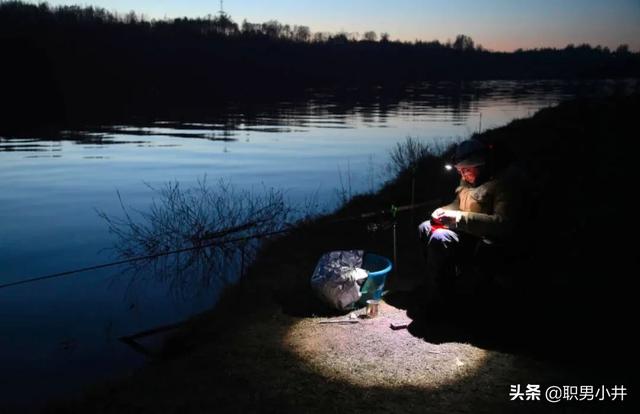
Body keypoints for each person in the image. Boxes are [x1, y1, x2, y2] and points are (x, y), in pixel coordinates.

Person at [416, 138, 526, 317]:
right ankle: (434, 286)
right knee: (424, 227)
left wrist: (459, 218)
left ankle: (442, 301)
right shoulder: (467, 180)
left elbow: (503, 224)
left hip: (485, 240)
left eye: (465, 170)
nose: (462, 175)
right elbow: (458, 203)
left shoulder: (505, 182)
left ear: (480, 165)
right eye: (459, 171)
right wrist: (443, 211)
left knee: (439, 238)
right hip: (466, 230)